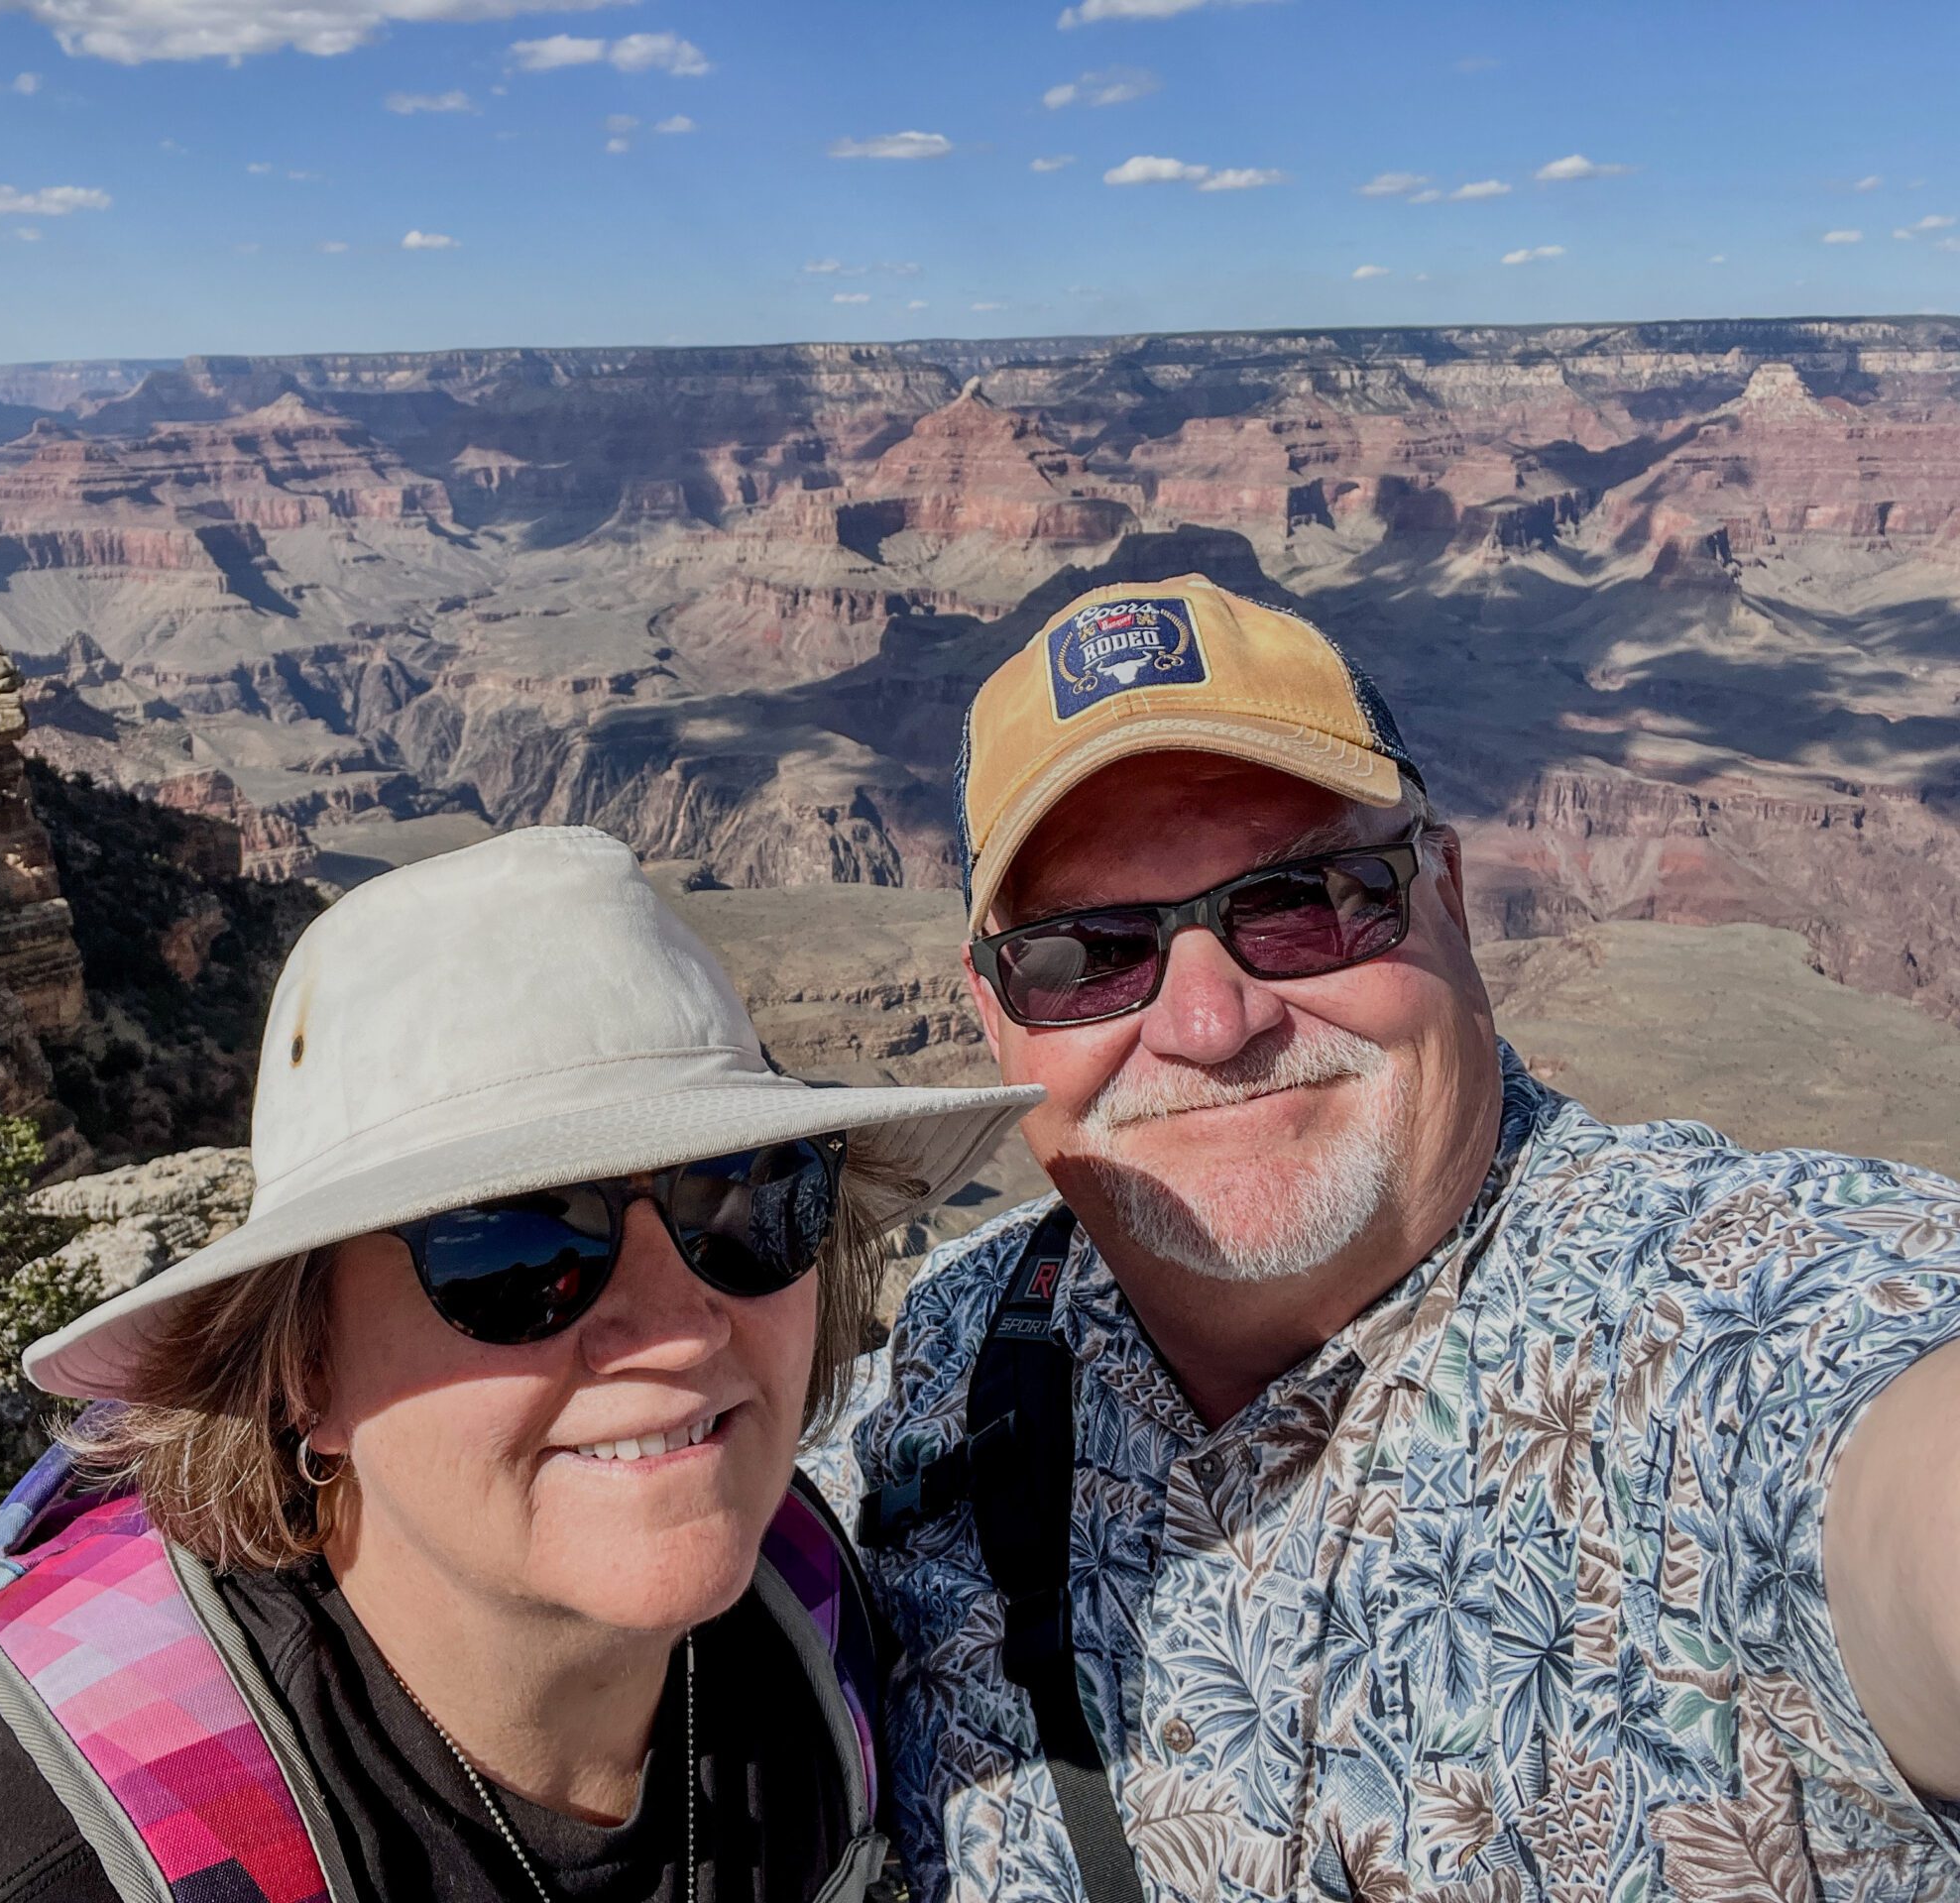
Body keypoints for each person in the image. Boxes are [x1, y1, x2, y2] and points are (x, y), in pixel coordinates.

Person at [807, 575, 1960, 1902]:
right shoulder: (949, 1360)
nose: (1209, 1022)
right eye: (1091, 954)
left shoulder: (1721, 1323)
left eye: (1302, 900)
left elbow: (1889, 1473)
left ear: (1452, 898)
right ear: (994, 1016)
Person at [0, 826, 1041, 1903]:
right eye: (518, 1255)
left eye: (744, 1202)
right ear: (304, 1370)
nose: (680, 1322)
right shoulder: (4, 1868)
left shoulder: (813, 1649)